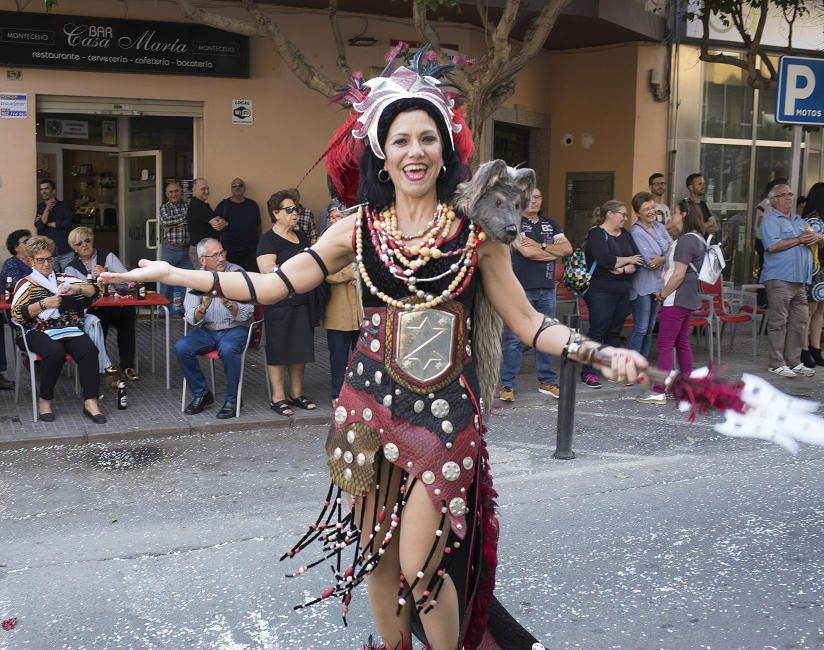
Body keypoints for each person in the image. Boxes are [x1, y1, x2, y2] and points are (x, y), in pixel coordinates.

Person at [100, 47, 646, 649]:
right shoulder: (355, 229)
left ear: (447, 149)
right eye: (402, 139)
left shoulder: (477, 236)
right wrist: (177, 275)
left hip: (445, 417)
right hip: (363, 413)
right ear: (381, 153)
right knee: (379, 562)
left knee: (422, 563)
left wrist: (596, 352)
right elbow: (268, 286)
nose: (416, 151)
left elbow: (528, 322)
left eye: (428, 138)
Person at [11, 236, 106, 423]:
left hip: (67, 328)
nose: (46, 264)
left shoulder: (64, 279)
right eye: (40, 260)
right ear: (31, 261)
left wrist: (77, 289)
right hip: (35, 331)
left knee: (89, 349)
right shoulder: (25, 284)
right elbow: (17, 315)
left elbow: (95, 291)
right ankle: (45, 401)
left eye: (49, 259)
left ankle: (91, 401)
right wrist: (43, 304)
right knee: (55, 352)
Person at [498, 187, 571, 401]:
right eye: (529, 198)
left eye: (538, 197)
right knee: (515, 339)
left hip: (547, 288)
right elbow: (526, 252)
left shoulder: (551, 224)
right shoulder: (513, 223)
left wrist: (541, 246)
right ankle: (507, 384)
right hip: (521, 289)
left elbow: (567, 249)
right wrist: (550, 253)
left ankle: (547, 382)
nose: (534, 201)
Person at [639, 201, 709, 404]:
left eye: (676, 212)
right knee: (682, 343)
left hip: (676, 297)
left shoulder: (686, 240)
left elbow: (678, 274)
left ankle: (659, 390)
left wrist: (663, 294)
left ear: (684, 215)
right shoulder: (698, 238)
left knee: (665, 343)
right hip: (689, 297)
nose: (673, 216)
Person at [177, 237, 254, 419]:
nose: (221, 258)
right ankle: (202, 394)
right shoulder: (196, 278)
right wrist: (203, 306)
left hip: (235, 328)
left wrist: (228, 302)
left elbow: (248, 312)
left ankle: (233, 399)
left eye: (222, 253)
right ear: (203, 260)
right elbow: (189, 317)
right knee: (182, 347)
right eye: (215, 255)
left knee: (228, 349)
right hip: (208, 330)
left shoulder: (237, 274)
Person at [257, 189, 316, 417]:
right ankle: (278, 397)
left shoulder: (301, 237)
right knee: (279, 350)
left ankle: (297, 394)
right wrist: (296, 273)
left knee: (300, 350)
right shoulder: (267, 239)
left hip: (302, 300)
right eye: (289, 209)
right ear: (276, 213)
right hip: (279, 302)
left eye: (297, 209)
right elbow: (267, 270)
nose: (295, 213)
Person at [760, 182, 823, 378]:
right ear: (773, 200)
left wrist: (818, 237)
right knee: (779, 322)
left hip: (800, 280)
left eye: (790, 194)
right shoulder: (770, 221)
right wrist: (799, 240)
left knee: (799, 322)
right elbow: (772, 246)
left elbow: (811, 237)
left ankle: (794, 361)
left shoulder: (797, 220)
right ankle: (776, 363)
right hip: (780, 278)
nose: (789, 197)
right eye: (783, 195)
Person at [580, 200, 642, 388]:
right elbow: (604, 259)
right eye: (623, 214)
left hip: (622, 290)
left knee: (614, 333)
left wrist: (622, 268)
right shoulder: (596, 234)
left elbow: (638, 261)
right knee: (597, 331)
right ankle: (588, 372)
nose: (625, 218)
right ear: (610, 214)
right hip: (600, 291)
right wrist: (627, 260)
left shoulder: (626, 235)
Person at [64, 226, 134, 380]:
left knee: (128, 314)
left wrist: (109, 275)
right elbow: (73, 294)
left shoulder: (107, 257)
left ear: (92, 240)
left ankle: (128, 366)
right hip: (93, 308)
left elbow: (129, 283)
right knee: (95, 319)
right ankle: (105, 363)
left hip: (115, 305)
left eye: (87, 240)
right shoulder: (70, 268)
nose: (84, 245)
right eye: (79, 243)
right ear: (74, 248)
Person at [320, 200, 362, 406]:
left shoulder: (360, 239)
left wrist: (358, 273)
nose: (335, 220)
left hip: (360, 311)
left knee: (361, 355)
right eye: (332, 216)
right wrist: (352, 272)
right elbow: (326, 273)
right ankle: (338, 394)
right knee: (338, 357)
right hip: (338, 310)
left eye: (340, 216)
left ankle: (360, 395)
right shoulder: (324, 243)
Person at [628, 191, 672, 358]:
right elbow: (649, 263)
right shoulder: (636, 232)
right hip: (642, 287)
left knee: (650, 326)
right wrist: (665, 257)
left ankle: (643, 361)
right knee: (640, 327)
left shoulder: (659, 227)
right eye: (646, 209)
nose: (651, 211)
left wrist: (661, 258)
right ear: (638, 212)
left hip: (658, 285)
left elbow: (673, 249)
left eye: (652, 207)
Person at [158, 180, 191, 317]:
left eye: (176, 191)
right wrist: (185, 218)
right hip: (170, 248)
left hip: (186, 250)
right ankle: (162, 311)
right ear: (166, 194)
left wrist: (175, 222)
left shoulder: (188, 205)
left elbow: (172, 222)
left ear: (181, 192)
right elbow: (166, 222)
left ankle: (188, 310)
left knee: (189, 280)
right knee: (166, 280)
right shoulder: (164, 208)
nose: (174, 194)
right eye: (171, 192)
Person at [214, 177, 261, 271]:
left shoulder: (252, 205)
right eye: (234, 186)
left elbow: (258, 226)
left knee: (251, 279)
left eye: (240, 185)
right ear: (231, 189)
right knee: (233, 280)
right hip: (231, 251)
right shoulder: (224, 205)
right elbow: (215, 225)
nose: (237, 188)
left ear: (244, 188)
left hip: (250, 251)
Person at [800, 183, 824, 369]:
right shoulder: (813, 218)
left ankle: (816, 348)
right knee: (810, 310)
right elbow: (811, 240)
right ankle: (804, 348)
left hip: (821, 270)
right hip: (815, 269)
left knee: (820, 311)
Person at [35, 179, 74, 272]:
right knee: (52, 278)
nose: (43, 191)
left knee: (70, 277)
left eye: (46, 189)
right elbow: (39, 226)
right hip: (49, 253)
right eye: (41, 189)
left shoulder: (64, 206)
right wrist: (47, 208)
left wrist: (46, 223)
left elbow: (68, 224)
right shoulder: (40, 207)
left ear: (53, 190)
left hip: (65, 250)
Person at [185, 178, 225, 268]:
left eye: (207, 188)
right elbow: (218, 225)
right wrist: (224, 222)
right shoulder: (198, 205)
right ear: (194, 190)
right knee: (205, 278)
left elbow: (218, 221)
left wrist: (223, 222)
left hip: (204, 250)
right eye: (203, 189)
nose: (206, 191)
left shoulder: (202, 205)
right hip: (201, 251)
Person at [754, 178, 788, 282]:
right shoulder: (768, 203)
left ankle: (763, 295)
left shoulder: (766, 203)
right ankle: (764, 295)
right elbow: (763, 222)